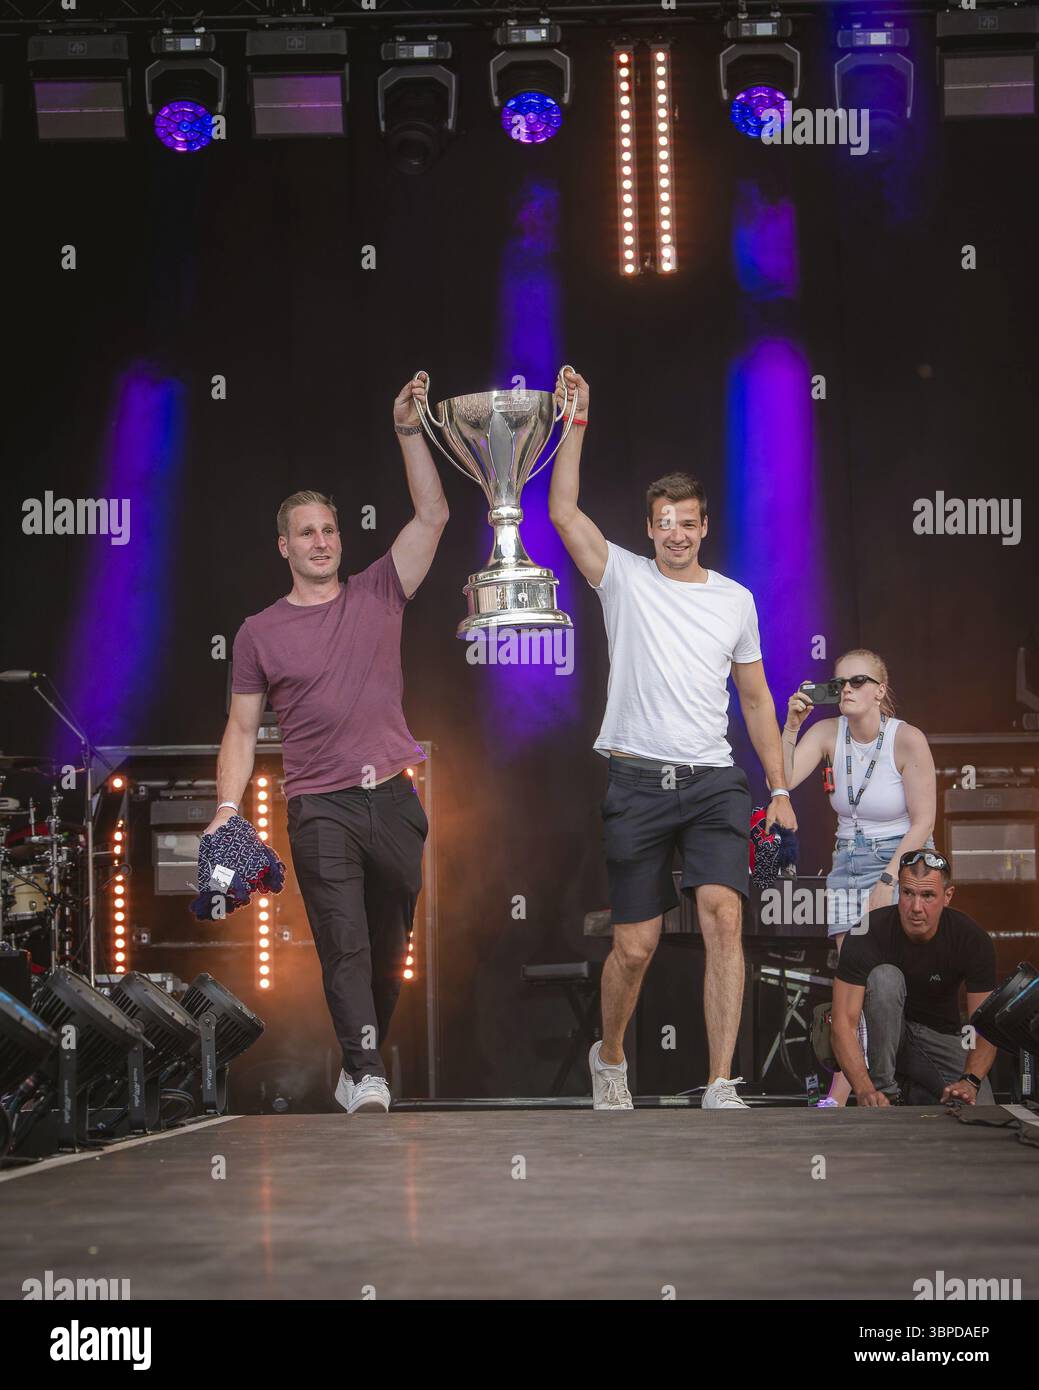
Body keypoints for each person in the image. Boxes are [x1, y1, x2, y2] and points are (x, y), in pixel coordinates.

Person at [548, 368, 797, 1111]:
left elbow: (755, 701)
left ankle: (720, 1082)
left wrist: (779, 789)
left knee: (724, 915)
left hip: (713, 780)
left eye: (688, 519)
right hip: (636, 781)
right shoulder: (622, 577)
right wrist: (576, 423)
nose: (676, 531)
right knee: (637, 945)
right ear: (650, 525)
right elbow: (562, 512)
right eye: (664, 520)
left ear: (703, 525)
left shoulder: (734, 601)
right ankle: (612, 1057)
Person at [205, 374, 448, 1115]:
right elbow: (242, 729)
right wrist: (224, 808)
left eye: (329, 530)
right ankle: (368, 1067)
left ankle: (355, 1058)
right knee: (342, 940)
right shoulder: (258, 632)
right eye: (306, 532)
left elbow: (433, 514)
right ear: (283, 546)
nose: (320, 541)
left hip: (394, 800)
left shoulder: (379, 591)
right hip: (319, 806)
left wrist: (409, 430)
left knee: (388, 950)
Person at [782, 651, 936, 1106]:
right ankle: (853, 1084)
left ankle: (879, 1080)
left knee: (885, 979)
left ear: (880, 690)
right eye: (839, 682)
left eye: (857, 681)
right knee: (853, 977)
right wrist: (791, 727)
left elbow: (924, 820)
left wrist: (890, 879)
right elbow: (785, 778)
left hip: (900, 858)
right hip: (846, 861)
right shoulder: (828, 732)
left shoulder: (906, 740)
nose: (846, 689)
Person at [831, 850, 998, 1106]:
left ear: (947, 896)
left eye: (928, 895)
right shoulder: (869, 932)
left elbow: (985, 1026)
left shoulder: (971, 938)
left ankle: (914, 1090)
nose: (916, 908)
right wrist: (864, 1089)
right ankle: (885, 1093)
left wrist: (970, 1080)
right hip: (880, 1043)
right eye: (908, 893)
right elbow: (842, 1023)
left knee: (982, 1108)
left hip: (938, 1039)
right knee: (886, 977)